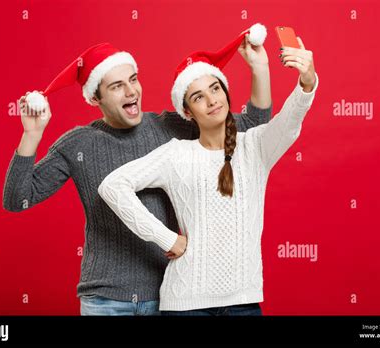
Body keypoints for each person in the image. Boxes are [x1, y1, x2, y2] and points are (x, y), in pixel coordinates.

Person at [3, 27, 273, 316]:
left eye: (133, 79)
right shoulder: (78, 143)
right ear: (95, 98)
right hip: (105, 300)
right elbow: (18, 199)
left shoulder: (169, 128)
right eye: (117, 86)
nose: (131, 91)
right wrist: (31, 135)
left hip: (166, 295)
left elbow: (249, 127)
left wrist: (259, 68)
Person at [98, 29, 319, 315]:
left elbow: (290, 121)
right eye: (198, 97)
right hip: (186, 306)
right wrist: (166, 238)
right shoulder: (178, 154)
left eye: (215, 89)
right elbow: (112, 186)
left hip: (243, 303)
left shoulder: (255, 146)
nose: (212, 100)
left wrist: (307, 80)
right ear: (188, 112)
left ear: (225, 92)